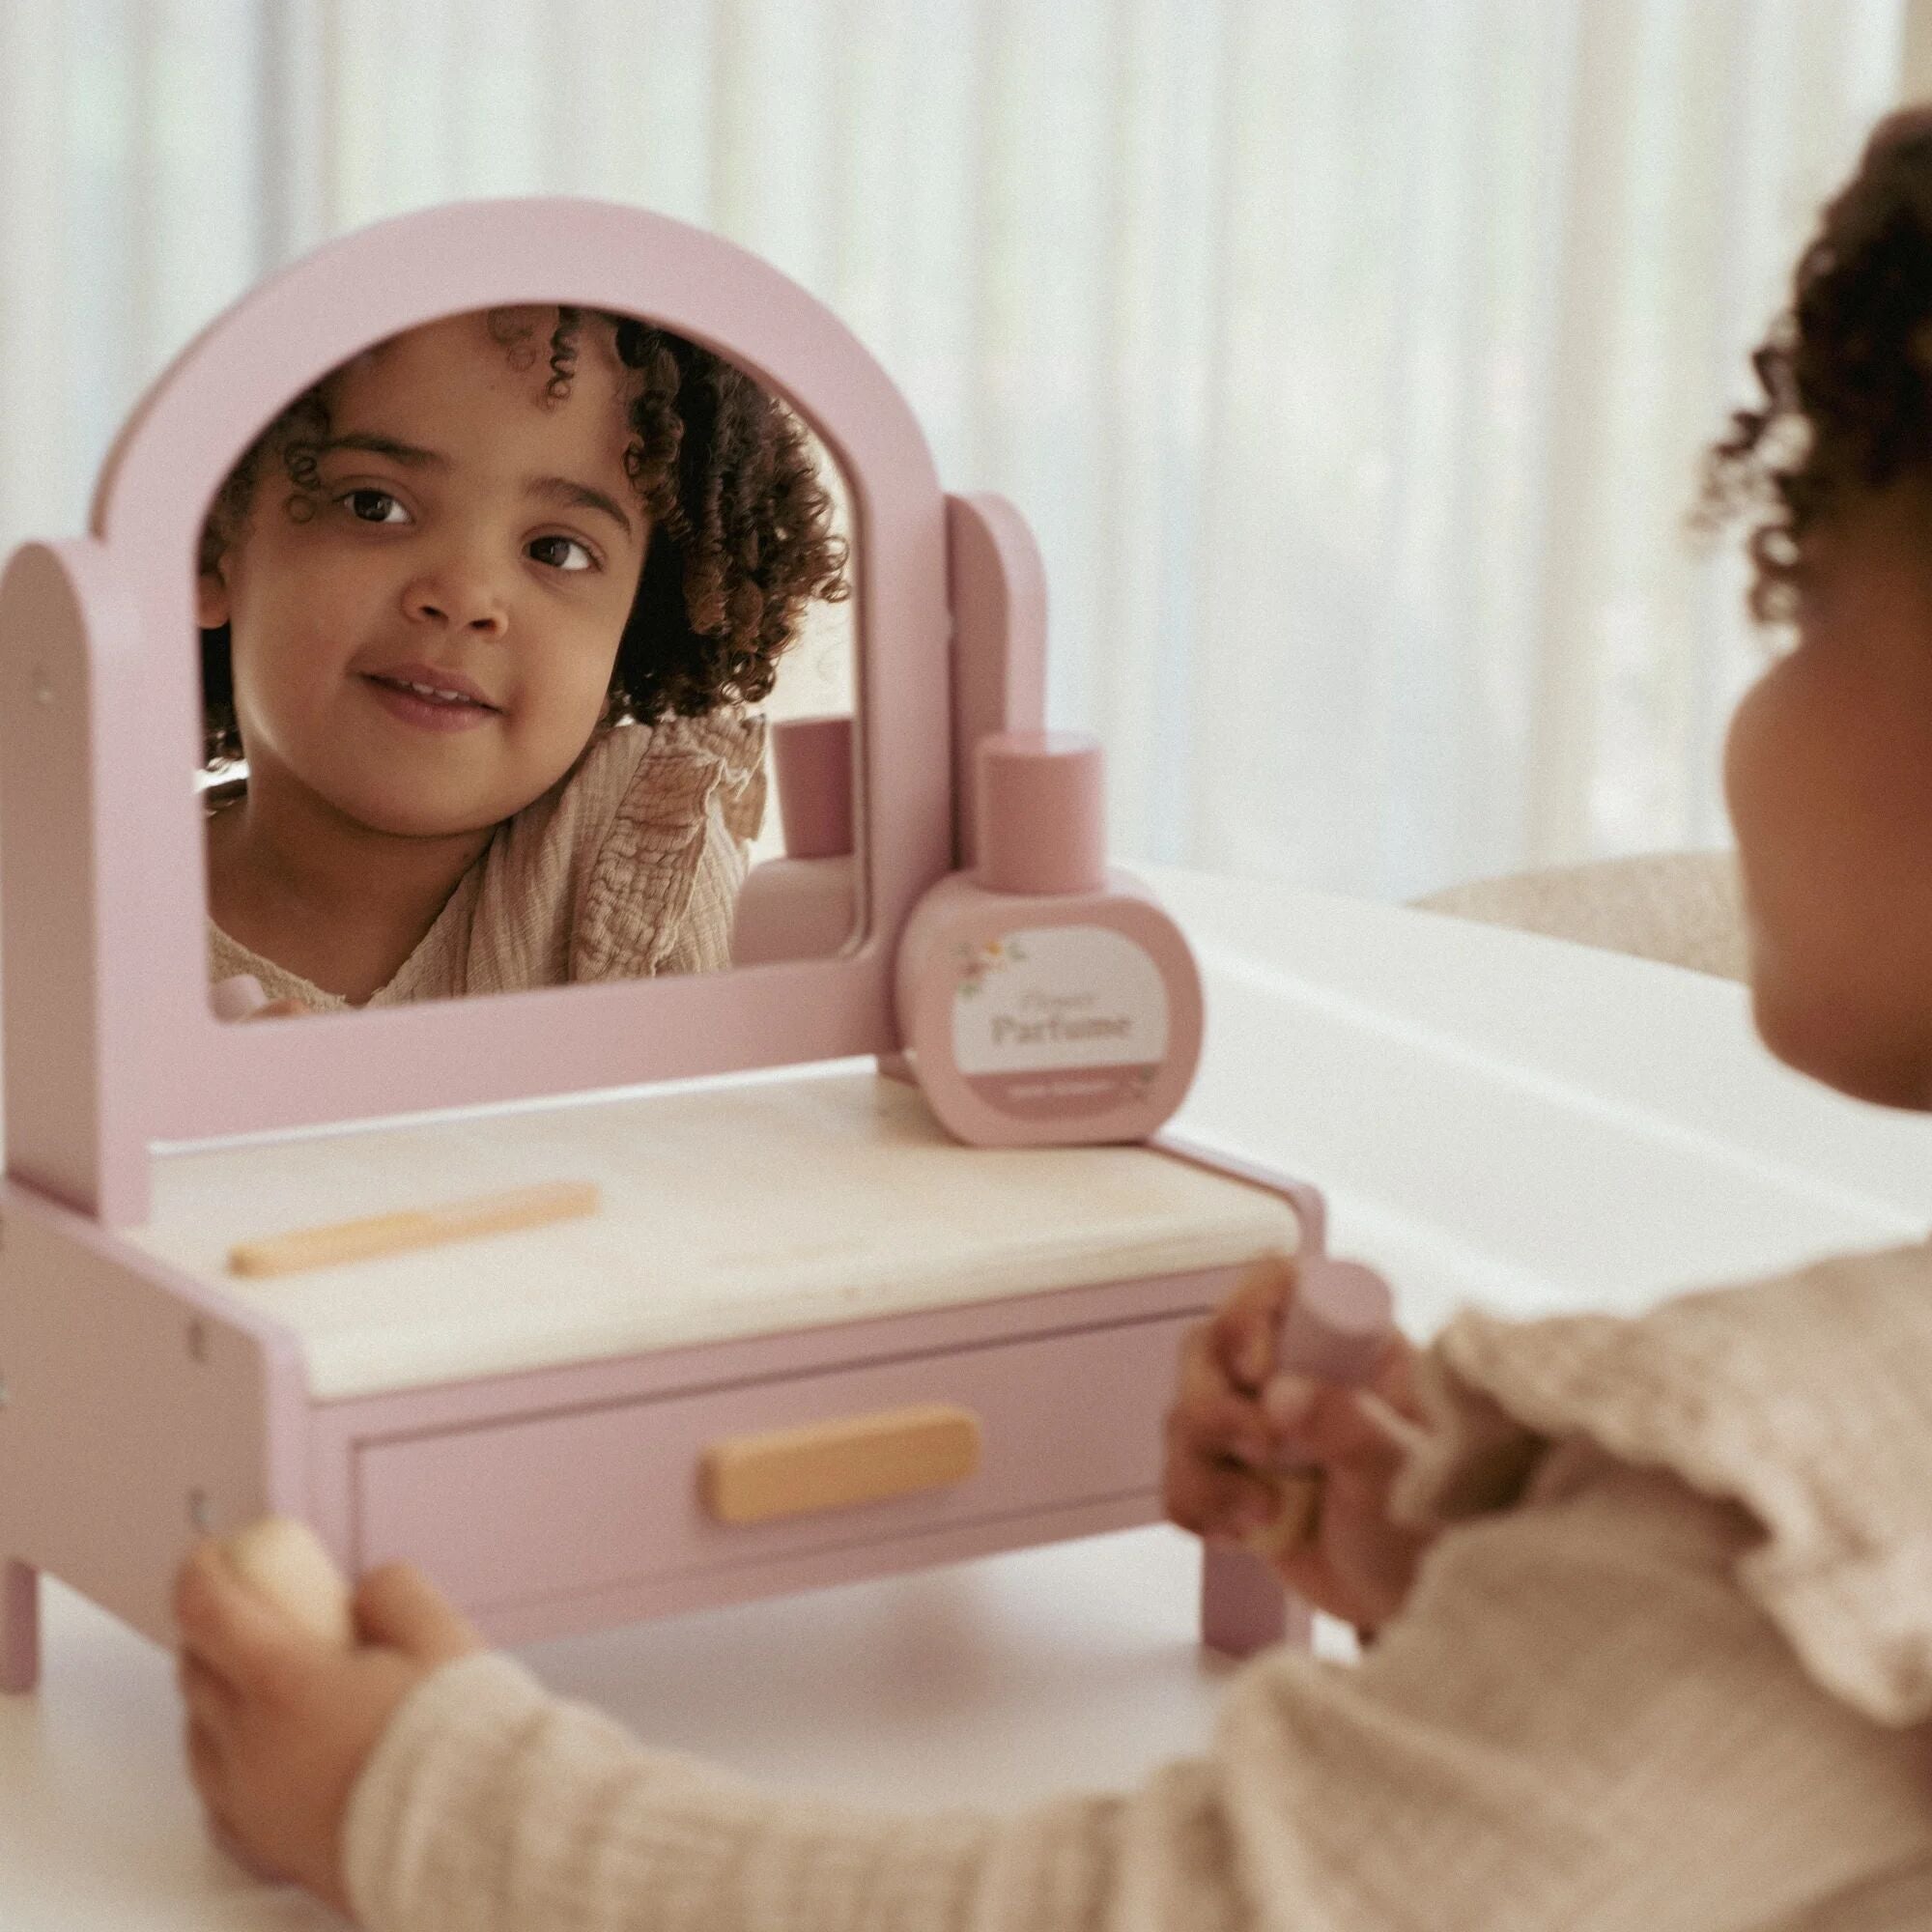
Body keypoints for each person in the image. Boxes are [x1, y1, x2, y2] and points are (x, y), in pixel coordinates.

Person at [171, 111, 1932, 1929]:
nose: (463, 588)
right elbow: (1708, 1788)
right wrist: (1505, 1576)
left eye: (1798, 609)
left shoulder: (1778, 1531)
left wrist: (412, 1790)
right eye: (376, 502)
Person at [196, 302, 846, 1012]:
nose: (465, 596)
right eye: (375, 505)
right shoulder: (86, 915)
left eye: (555, 550)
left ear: (637, 624)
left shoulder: (627, 855)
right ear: (210, 545)